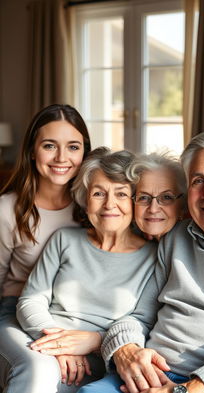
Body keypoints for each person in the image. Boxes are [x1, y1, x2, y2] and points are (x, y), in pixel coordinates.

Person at [79, 129, 204, 393]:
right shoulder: (176, 237)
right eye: (198, 180)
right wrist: (125, 348)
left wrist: (190, 389)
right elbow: (141, 314)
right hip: (147, 373)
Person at [13, 147, 161, 393]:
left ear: (135, 201)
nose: (109, 204)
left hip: (102, 356)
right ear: (85, 199)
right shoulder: (65, 239)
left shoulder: (154, 257)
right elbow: (31, 300)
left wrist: (94, 343)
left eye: (122, 194)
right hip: (41, 338)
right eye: (98, 193)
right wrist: (60, 346)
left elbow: (142, 322)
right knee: (38, 373)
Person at [0, 103, 91, 392]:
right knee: (39, 367)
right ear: (31, 151)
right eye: (50, 146)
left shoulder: (95, 207)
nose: (62, 158)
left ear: (85, 153)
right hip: (15, 314)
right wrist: (57, 342)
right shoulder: (7, 211)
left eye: (73, 147)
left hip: (77, 316)